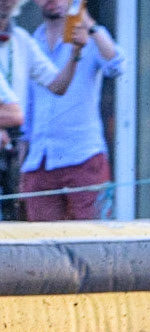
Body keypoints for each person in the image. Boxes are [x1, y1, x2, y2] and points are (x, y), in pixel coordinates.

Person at [19, 0, 123, 222]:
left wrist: (89, 24)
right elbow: (28, 108)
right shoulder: (31, 42)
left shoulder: (91, 35)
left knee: (93, 241)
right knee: (43, 246)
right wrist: (22, 162)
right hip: (41, 161)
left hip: (83, 157)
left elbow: (117, 65)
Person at [0, 0, 77, 220]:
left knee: (14, 225)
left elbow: (57, 84)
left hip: (12, 151)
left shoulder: (22, 41)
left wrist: (76, 54)